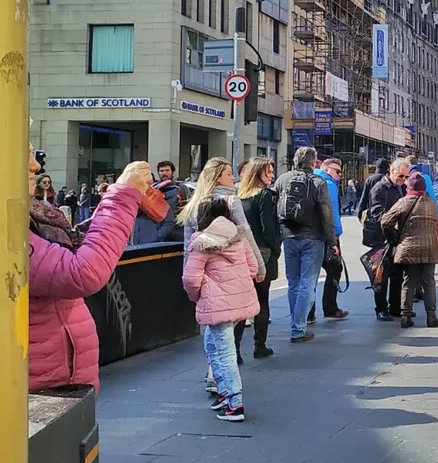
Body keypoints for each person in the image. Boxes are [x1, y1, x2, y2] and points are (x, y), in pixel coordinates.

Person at [28, 150, 151, 391]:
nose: (35, 166)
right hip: (38, 394)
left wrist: (113, 205)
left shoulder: (31, 216)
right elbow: (81, 273)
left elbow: (72, 248)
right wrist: (121, 199)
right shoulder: (10, 228)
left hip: (56, 385)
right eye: (25, 154)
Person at [177, 159, 265, 365]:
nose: (233, 177)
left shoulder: (194, 203)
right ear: (217, 177)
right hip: (230, 273)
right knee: (226, 330)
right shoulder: (230, 200)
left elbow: (188, 247)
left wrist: (188, 277)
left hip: (205, 276)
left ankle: (213, 370)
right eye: (228, 173)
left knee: (213, 325)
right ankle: (221, 375)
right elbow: (246, 233)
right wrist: (259, 265)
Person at [182, 196, 261, 422]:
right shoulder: (239, 236)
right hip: (238, 301)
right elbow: (253, 267)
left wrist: (197, 296)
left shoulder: (201, 242)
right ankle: (225, 392)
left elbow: (190, 279)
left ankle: (235, 403)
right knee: (212, 345)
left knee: (224, 351)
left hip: (216, 303)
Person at [273, 146, 337, 343]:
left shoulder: (283, 179)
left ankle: (296, 323)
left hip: (289, 236)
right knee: (308, 283)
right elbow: (326, 214)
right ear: (313, 163)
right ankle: (298, 328)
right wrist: (332, 240)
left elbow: (274, 206)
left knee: (293, 283)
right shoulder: (318, 182)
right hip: (313, 238)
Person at [381, 170, 438, 328]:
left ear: (408, 187)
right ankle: (431, 317)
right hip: (429, 247)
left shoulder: (404, 202)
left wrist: (394, 237)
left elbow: (385, 221)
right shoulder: (431, 203)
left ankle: (406, 316)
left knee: (409, 281)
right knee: (429, 282)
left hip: (409, 248)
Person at [236, 156, 281, 359]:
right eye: (268, 172)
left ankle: (235, 350)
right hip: (262, 251)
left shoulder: (239, 195)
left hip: (241, 252)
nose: (272, 175)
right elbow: (268, 228)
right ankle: (259, 345)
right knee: (262, 300)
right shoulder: (265, 196)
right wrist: (276, 248)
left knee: (242, 303)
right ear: (258, 173)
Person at [363, 157, 409, 321]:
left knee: (397, 274)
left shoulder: (402, 187)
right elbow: (377, 212)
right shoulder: (379, 188)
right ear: (392, 171)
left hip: (397, 237)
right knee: (381, 275)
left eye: (406, 177)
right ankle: (381, 308)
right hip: (381, 238)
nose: (403, 180)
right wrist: (394, 221)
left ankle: (395, 307)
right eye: (401, 176)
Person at [315, 157, 349, 321]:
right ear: (327, 170)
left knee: (310, 274)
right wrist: (337, 234)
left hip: (310, 234)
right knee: (335, 268)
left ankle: (308, 313)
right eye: (337, 171)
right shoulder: (329, 184)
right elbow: (332, 210)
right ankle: (330, 308)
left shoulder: (311, 179)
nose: (340, 175)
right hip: (327, 234)